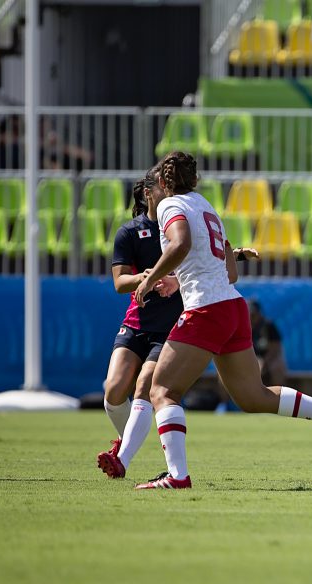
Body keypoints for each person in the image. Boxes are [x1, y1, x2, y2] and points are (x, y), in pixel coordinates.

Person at [102, 151, 312, 490]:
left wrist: (151, 279)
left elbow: (181, 245)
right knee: (254, 397)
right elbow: (222, 267)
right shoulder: (204, 204)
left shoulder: (171, 205)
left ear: (165, 184)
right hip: (231, 304)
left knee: (162, 390)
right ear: (194, 180)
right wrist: (176, 280)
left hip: (206, 309)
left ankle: (177, 476)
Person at [96, 169, 184, 478]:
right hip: (136, 323)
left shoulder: (178, 226)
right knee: (114, 390)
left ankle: (122, 458)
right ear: (148, 193)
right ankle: (127, 439)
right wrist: (145, 277)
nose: (168, 190)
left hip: (170, 328)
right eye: (162, 186)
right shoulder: (130, 232)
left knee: (144, 385)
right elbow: (120, 282)